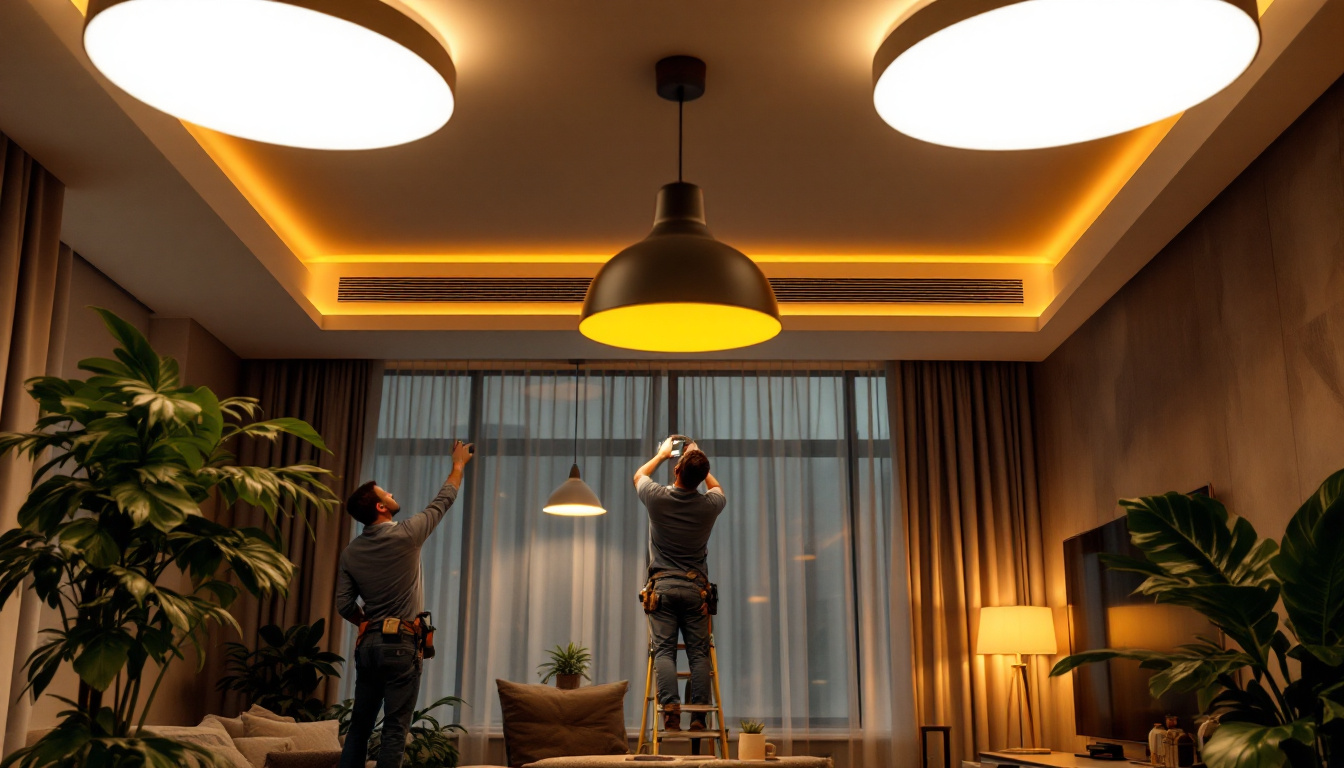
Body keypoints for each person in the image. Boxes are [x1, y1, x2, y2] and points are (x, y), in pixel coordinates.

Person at [336, 439, 475, 768]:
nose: (393, 494)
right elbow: (444, 500)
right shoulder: (407, 534)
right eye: (387, 494)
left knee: (359, 729)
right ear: (381, 508)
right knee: (395, 729)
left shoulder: (350, 553)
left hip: (368, 646)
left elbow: (344, 605)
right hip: (401, 644)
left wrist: (368, 624)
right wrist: (458, 466)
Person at [633, 437, 727, 732]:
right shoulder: (711, 504)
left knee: (664, 651)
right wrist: (699, 457)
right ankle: (698, 717)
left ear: (676, 470)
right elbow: (717, 488)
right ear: (701, 477)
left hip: (661, 588)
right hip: (695, 590)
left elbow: (639, 476)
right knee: (699, 653)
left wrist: (661, 454)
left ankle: (671, 714)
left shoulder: (657, 497)